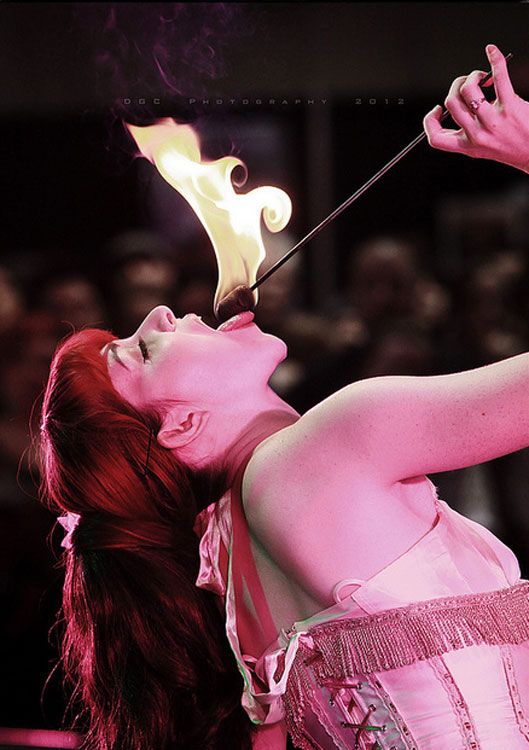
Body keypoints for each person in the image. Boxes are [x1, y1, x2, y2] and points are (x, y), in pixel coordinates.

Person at [38, 44, 529, 750]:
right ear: (180, 428)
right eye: (142, 350)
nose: (161, 316)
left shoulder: (225, 549)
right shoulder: (328, 444)